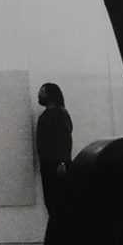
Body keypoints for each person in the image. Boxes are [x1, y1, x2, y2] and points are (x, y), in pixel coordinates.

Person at [36, 83, 73, 218]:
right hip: (49, 165)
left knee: (58, 202)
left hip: (56, 166)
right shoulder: (50, 114)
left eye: (42, 92)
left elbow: (65, 139)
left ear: (51, 95)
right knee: (51, 202)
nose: (39, 95)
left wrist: (62, 162)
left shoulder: (59, 113)